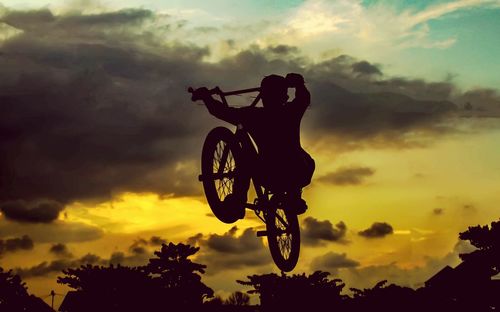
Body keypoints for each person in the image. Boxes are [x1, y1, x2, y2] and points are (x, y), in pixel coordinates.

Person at [193, 73, 314, 214]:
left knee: (245, 160)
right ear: (285, 97)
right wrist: (299, 84)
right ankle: (294, 197)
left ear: (262, 96)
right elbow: (303, 99)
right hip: (300, 172)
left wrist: (206, 97)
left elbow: (220, 111)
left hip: (268, 175)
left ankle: (238, 201)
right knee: (299, 159)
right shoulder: (291, 111)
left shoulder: (251, 116)